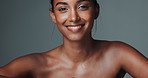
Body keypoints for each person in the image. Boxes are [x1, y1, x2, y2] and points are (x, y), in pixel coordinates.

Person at [0, 0, 148, 78]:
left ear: (96, 10)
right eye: (63, 9)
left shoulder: (117, 54)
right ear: (53, 15)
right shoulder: (37, 64)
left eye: (82, 6)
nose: (73, 18)